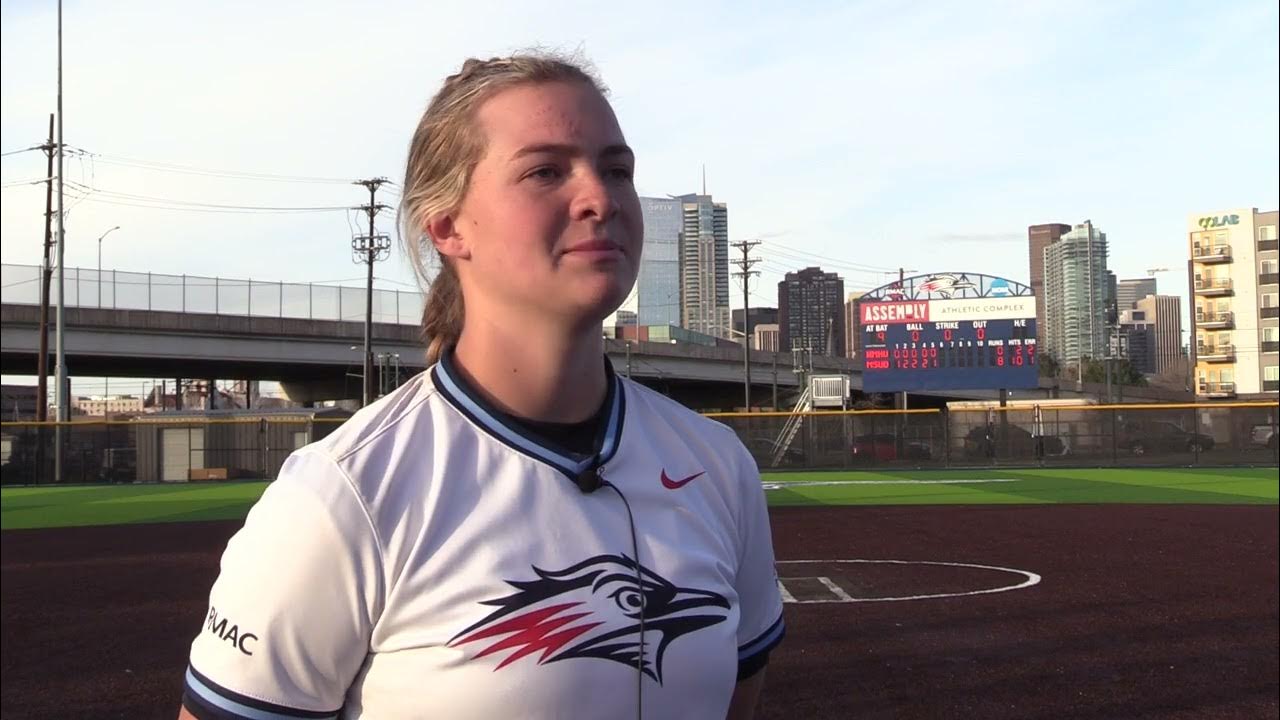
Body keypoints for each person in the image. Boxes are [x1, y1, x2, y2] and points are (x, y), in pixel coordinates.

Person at [178, 52, 784, 720]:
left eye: (617, 169)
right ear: (446, 227)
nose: (601, 197)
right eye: (546, 171)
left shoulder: (719, 467)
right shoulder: (342, 495)